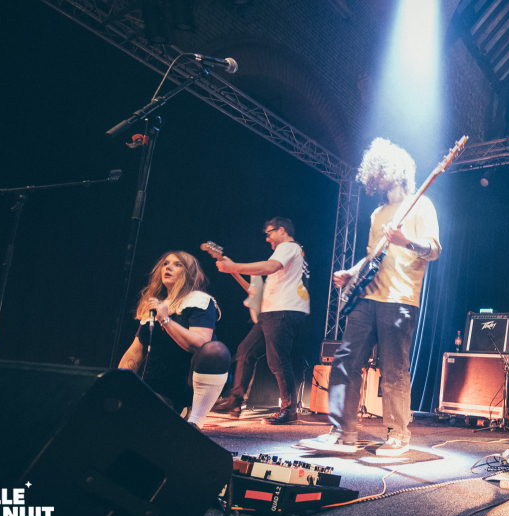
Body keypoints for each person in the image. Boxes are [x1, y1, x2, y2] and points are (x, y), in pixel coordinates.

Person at [300, 138, 441, 456]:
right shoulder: (378, 214)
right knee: (346, 360)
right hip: (367, 296)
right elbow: (371, 255)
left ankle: (397, 434)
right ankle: (342, 432)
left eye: (382, 166)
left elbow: (434, 249)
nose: (377, 172)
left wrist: (407, 242)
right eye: (374, 167)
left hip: (401, 298)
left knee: (393, 368)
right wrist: (351, 272)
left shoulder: (422, 205)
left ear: (398, 169)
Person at [212, 217, 311, 425]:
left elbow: (269, 266)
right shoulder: (292, 254)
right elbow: (265, 281)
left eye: (269, 233)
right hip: (273, 311)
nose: (267, 239)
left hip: (283, 311)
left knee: (277, 359)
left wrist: (234, 266)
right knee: (245, 351)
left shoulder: (289, 247)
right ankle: (234, 401)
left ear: (281, 230)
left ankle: (289, 410)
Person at [118, 251, 231, 429]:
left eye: (178, 264)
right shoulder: (156, 304)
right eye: (166, 263)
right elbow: (135, 351)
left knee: (216, 350)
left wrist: (165, 320)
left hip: (185, 385)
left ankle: (195, 421)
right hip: (157, 385)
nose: (168, 267)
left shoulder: (199, 300)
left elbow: (201, 344)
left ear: (189, 273)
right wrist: (119, 383)